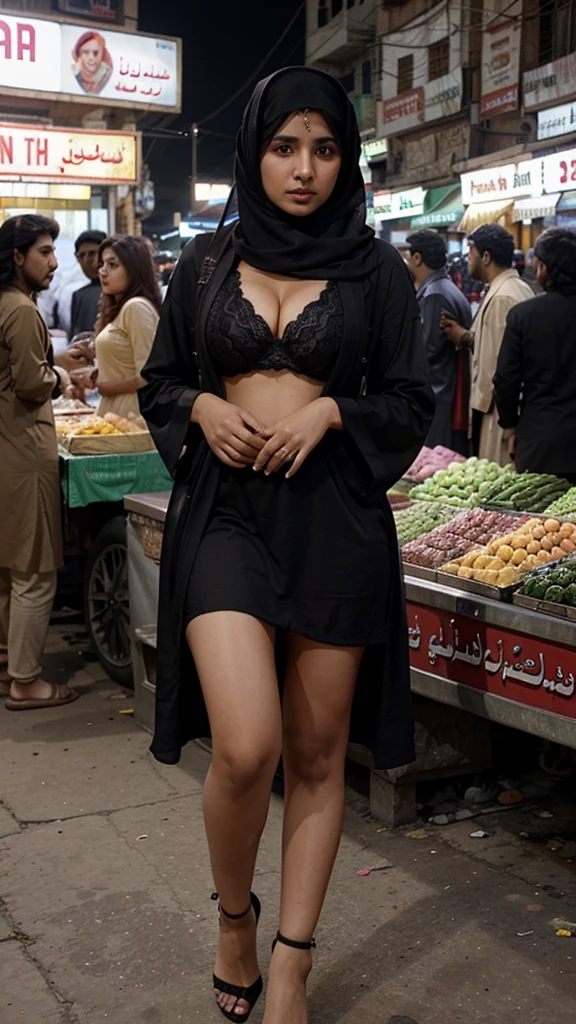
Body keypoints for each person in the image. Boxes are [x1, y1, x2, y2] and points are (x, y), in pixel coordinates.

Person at [139, 67, 434, 1024]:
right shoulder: (208, 263)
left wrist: (336, 413)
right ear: (255, 151)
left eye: (324, 148)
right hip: (226, 516)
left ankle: (294, 958)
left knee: (316, 751)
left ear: (344, 161)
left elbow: (410, 401)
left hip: (335, 521)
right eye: (284, 145)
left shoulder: (377, 272)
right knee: (246, 745)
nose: (304, 168)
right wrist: (203, 404)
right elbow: (160, 384)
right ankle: (235, 917)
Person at [0, 215, 79, 710]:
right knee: (35, 570)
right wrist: (60, 377)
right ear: (16, 257)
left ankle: (8, 659)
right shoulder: (20, 310)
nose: (53, 262)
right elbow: (32, 385)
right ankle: (26, 680)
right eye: (45, 252)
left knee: (8, 567)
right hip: (24, 451)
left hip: (5, 448)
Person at [442, 224, 533, 465]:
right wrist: (464, 337)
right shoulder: (511, 288)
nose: (468, 258)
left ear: (486, 256)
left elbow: (502, 367)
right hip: (500, 409)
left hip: (499, 414)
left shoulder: (504, 296)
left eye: (470, 251)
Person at [494, 227, 576, 480]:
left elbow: (506, 379)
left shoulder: (524, 316)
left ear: (544, 269)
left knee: (542, 519)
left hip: (540, 442)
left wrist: (509, 426)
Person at [74, 236, 162, 419]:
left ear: (134, 269)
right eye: (102, 264)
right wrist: (97, 374)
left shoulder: (136, 307)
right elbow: (125, 366)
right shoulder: (120, 310)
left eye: (112, 265)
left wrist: (103, 386)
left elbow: (149, 376)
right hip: (116, 415)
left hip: (133, 418)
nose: (102, 272)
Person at [406, 229, 471, 450]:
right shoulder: (445, 288)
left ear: (417, 258)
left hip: (438, 392)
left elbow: (427, 350)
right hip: (444, 390)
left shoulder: (434, 294)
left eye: (408, 256)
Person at [69, 229, 107, 338]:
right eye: (81, 256)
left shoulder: (118, 290)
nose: (86, 260)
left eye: (92, 254)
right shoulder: (79, 295)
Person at [72, 31, 113, 95]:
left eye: (95, 53)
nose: (91, 58)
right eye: (86, 52)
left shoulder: (104, 73)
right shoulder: (76, 72)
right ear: (79, 55)